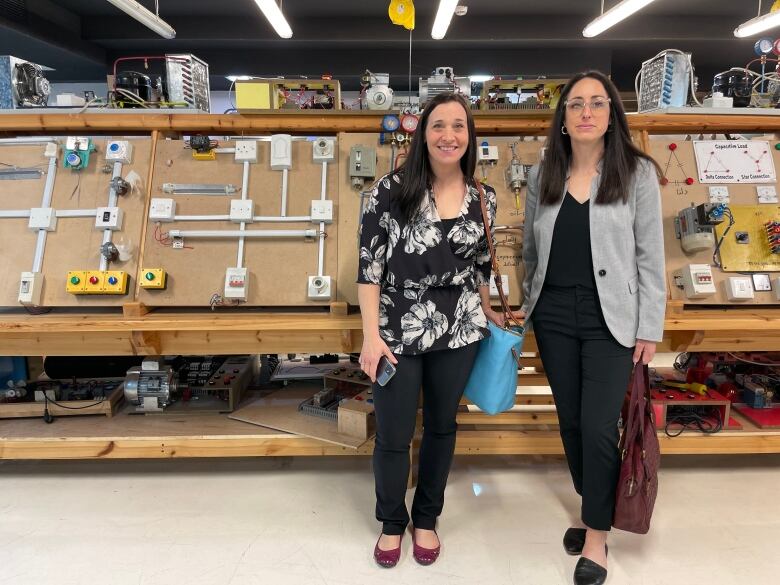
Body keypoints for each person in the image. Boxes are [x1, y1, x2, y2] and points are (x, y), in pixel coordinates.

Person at [519, 70, 665, 585]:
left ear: (611, 115)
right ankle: (592, 508)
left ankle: (597, 537)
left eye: (597, 103)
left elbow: (650, 256)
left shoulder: (637, 173)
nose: (585, 112)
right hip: (554, 315)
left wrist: (650, 327)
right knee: (573, 423)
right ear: (562, 117)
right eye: (576, 104)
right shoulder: (544, 175)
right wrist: (524, 301)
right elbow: (530, 251)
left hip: (612, 318)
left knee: (601, 427)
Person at [357, 92, 503, 568]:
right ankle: (391, 522)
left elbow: (482, 267)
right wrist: (370, 336)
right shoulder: (388, 191)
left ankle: (426, 518)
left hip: (460, 328)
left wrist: (489, 312)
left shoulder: (484, 197)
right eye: (438, 125)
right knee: (394, 433)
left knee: (442, 428)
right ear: (423, 134)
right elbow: (368, 270)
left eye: (458, 126)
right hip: (397, 327)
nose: (448, 136)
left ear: (469, 135)